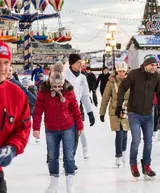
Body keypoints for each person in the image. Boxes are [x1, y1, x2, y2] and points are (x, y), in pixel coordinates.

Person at [32, 61, 84, 193]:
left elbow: (75, 110)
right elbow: (38, 110)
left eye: (60, 86)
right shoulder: (43, 91)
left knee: (69, 156)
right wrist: (36, 128)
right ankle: (54, 183)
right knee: (53, 156)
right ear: (50, 83)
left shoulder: (68, 90)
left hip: (68, 127)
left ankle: (69, 183)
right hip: (51, 128)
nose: (58, 89)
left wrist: (80, 126)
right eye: (55, 86)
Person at [116, 54, 160, 180]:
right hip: (134, 113)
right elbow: (122, 87)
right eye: (152, 65)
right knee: (136, 140)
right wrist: (119, 106)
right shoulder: (134, 74)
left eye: (156, 65)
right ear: (145, 65)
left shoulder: (157, 77)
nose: (154, 67)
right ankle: (133, 164)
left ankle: (146, 164)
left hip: (149, 113)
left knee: (148, 141)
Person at [0, 41, 31, 193]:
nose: (2, 68)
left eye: (6, 63)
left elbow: (22, 127)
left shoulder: (17, 94)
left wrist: (12, 148)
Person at [64, 54, 95, 162]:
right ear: (72, 64)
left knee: (77, 134)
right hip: (65, 109)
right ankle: (59, 155)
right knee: (66, 135)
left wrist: (90, 112)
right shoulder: (65, 76)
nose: (81, 65)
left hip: (77, 109)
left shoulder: (83, 78)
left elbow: (85, 96)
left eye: (81, 62)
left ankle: (70, 158)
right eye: (78, 62)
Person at [100, 62, 130, 167]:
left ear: (126, 71)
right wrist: (102, 113)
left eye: (123, 71)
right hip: (114, 111)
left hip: (127, 110)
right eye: (119, 71)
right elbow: (105, 98)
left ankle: (124, 153)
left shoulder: (131, 81)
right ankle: (118, 155)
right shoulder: (111, 82)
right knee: (119, 133)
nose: (121, 73)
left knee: (125, 132)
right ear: (116, 71)